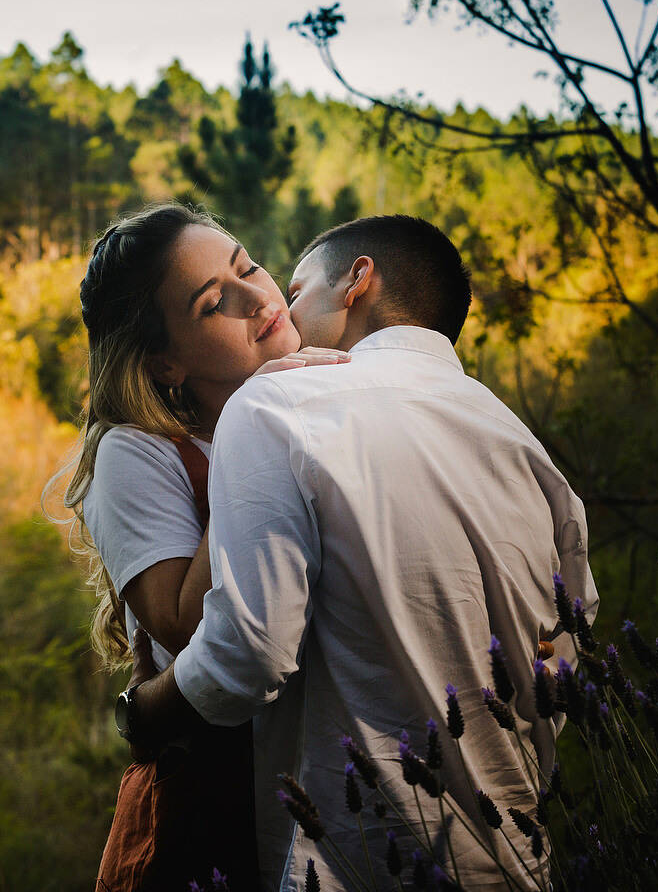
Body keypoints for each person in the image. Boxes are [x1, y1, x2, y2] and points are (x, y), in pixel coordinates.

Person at [119, 215, 600, 890]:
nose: (277, 308)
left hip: (361, 857)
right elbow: (569, 642)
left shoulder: (277, 405)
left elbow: (248, 653)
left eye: (291, 287)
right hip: (520, 861)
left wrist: (141, 712)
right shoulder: (517, 437)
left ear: (356, 282)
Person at [58, 203, 349, 891]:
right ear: (166, 362)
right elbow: (188, 629)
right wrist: (254, 426)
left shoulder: (319, 392)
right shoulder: (137, 454)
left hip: (332, 793)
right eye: (214, 303)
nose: (258, 297)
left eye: (249, 266)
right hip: (214, 813)